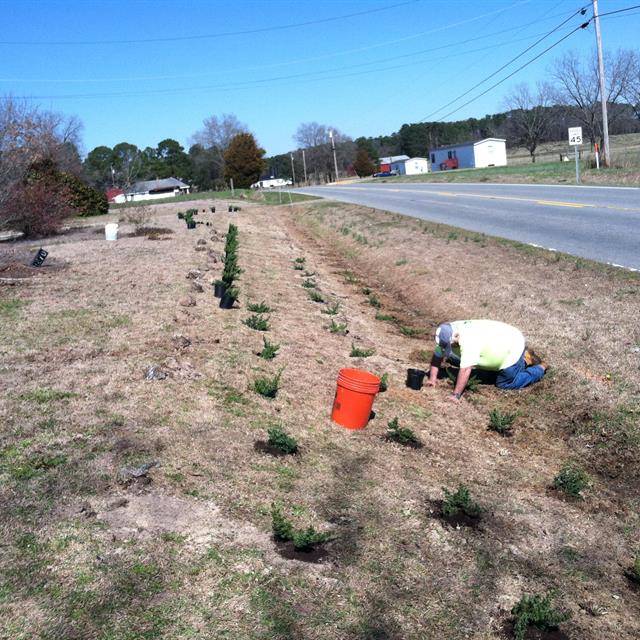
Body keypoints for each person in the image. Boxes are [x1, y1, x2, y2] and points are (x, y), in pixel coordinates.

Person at [426, 319, 547, 402]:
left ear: (456, 338)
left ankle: (537, 366)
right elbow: (438, 355)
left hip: (512, 347)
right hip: (503, 338)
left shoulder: (469, 341)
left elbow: (465, 370)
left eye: (449, 346)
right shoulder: (449, 329)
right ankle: (518, 359)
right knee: (455, 358)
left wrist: (455, 395)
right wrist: (432, 379)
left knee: (504, 383)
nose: (447, 348)